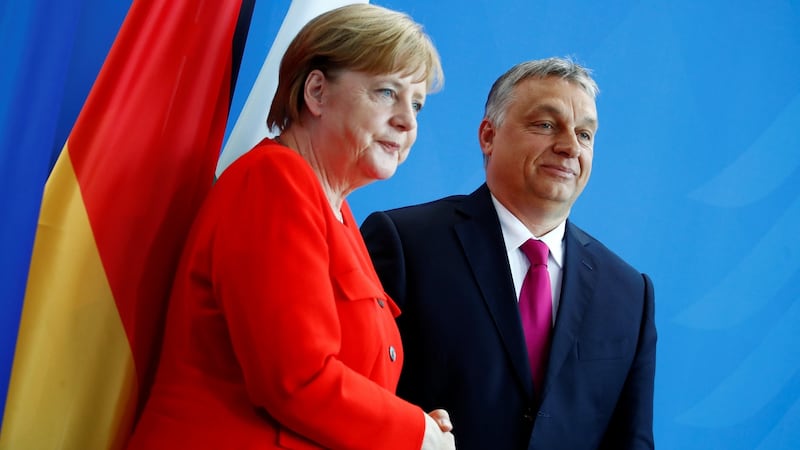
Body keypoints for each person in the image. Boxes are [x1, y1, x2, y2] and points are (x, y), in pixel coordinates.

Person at [126, 4, 455, 450]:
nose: (408, 121)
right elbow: (294, 378)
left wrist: (410, 422)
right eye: (386, 93)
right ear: (317, 92)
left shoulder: (338, 214)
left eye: (416, 103)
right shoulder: (274, 181)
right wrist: (414, 434)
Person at [361, 57, 657, 450]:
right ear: (488, 135)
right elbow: (357, 403)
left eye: (585, 134)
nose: (570, 147)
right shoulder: (405, 243)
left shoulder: (629, 292)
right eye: (546, 125)